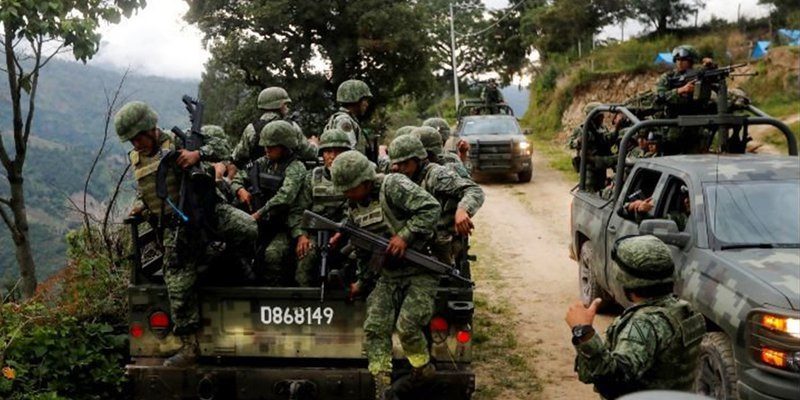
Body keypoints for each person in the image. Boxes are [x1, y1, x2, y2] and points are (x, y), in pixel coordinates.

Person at [114, 101, 230, 367]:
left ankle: (228, 263)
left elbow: (225, 149)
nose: (136, 145)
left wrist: (197, 154)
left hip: (204, 214)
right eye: (131, 141)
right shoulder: (138, 158)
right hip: (173, 228)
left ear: (150, 129)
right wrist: (143, 206)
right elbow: (151, 189)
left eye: (138, 138)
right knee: (176, 281)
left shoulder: (179, 141)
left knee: (247, 229)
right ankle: (190, 347)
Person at [329, 150, 441, 399]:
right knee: (374, 328)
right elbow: (365, 251)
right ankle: (382, 385)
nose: (348, 195)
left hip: (420, 270)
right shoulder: (354, 205)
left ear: (366, 181)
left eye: (352, 189)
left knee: (407, 326)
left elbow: (431, 209)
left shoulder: (393, 185)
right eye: (345, 191)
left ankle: (422, 368)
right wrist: (362, 283)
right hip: (388, 274)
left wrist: (405, 236)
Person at [565, 235, 705, 399]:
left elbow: (611, 382)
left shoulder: (645, 324)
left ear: (623, 278)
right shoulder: (684, 310)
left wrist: (584, 332)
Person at [231, 120, 308, 285]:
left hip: (283, 226)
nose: (267, 149)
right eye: (265, 146)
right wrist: (240, 190)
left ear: (285, 146)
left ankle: (272, 291)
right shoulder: (261, 163)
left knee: (271, 256)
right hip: (257, 224)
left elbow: (284, 197)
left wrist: (259, 214)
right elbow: (238, 178)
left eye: (272, 146)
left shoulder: (296, 167)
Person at [388, 135, 484, 266]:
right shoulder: (401, 179)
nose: (400, 168)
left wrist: (463, 210)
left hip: (439, 249)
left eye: (405, 163)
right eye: (397, 164)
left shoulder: (436, 175)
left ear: (418, 160)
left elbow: (474, 189)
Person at [292, 128, 352, 286]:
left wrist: (340, 234)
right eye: (328, 152)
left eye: (338, 151)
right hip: (315, 234)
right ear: (322, 154)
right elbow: (298, 211)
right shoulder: (312, 178)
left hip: (348, 234)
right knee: (305, 258)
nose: (333, 156)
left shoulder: (355, 177)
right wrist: (302, 236)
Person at [232, 86, 317, 169]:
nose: (287, 108)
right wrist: (314, 144)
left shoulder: (251, 129)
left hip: (258, 176)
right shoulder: (292, 126)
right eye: (285, 104)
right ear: (280, 105)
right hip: (289, 175)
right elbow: (309, 153)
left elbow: (237, 156)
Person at [655, 45, 715, 154]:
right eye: (677, 60)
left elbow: (714, 78)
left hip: (696, 129)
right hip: (673, 129)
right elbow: (659, 97)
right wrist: (680, 90)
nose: (680, 62)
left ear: (691, 61)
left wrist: (711, 66)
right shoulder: (668, 77)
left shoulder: (698, 73)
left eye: (683, 60)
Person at [571, 102, 615, 193]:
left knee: (601, 190)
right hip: (589, 168)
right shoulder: (582, 129)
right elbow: (571, 143)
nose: (603, 117)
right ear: (593, 117)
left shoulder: (603, 128)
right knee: (589, 192)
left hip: (601, 165)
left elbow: (607, 141)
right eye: (600, 116)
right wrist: (578, 141)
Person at [325, 79, 374, 156]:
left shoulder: (348, 119)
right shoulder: (344, 121)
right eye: (365, 100)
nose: (367, 104)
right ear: (356, 100)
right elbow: (350, 153)